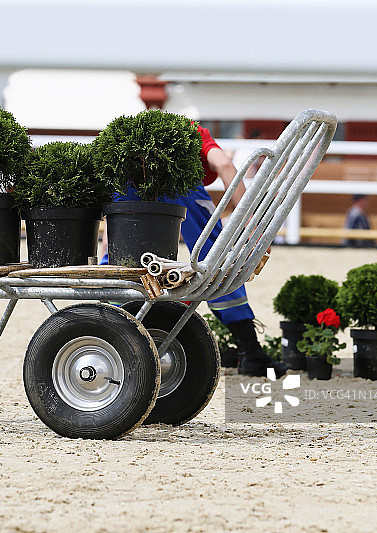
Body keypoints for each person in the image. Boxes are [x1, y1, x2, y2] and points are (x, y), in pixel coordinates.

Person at [102, 123, 287, 378]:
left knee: (118, 258)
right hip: (179, 183)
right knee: (216, 257)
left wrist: (105, 255)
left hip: (127, 188)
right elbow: (223, 164)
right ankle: (249, 350)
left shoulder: (129, 147)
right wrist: (251, 225)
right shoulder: (193, 133)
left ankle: (108, 335)